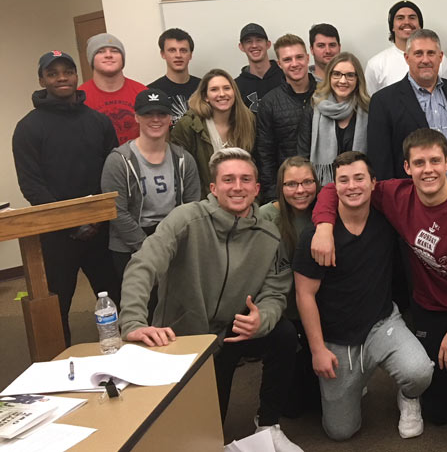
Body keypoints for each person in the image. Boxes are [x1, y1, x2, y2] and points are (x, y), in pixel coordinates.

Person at [310, 129, 447, 431]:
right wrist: (323, 227)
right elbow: (337, 187)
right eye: (419, 163)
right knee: (438, 411)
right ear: (407, 168)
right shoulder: (395, 195)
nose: (428, 170)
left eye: (435, 160)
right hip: (433, 306)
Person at [119, 148, 302, 452]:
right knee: (197, 435)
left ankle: (268, 424)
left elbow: (274, 291)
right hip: (181, 336)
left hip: (230, 333)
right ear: (213, 188)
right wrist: (134, 322)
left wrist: (262, 318)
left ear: (256, 189)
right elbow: (144, 264)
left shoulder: (269, 234)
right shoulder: (185, 219)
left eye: (245, 179)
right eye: (228, 179)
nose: (237, 186)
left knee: (282, 333)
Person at [294, 151, 434, 440]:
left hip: (381, 323)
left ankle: (407, 398)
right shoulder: (316, 237)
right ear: (333, 187)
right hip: (337, 337)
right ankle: (356, 380)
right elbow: (304, 295)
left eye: (359, 178)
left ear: (373, 183)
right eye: (343, 180)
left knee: (419, 372)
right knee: (340, 431)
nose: (352, 186)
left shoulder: (386, 220)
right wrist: (318, 350)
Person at [12, 50, 121, 345]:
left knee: (117, 300)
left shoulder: (99, 122)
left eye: (67, 71)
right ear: (42, 80)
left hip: (102, 232)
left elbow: (112, 172)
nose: (62, 77)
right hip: (57, 237)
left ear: (76, 76)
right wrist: (72, 223)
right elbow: (32, 185)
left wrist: (95, 219)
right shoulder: (28, 128)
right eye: (53, 73)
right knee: (56, 309)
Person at [367, 29, 447, 195]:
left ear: (440, 57)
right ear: (407, 58)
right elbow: (381, 162)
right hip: (412, 198)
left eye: (431, 53)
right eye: (418, 53)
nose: (425, 60)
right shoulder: (384, 101)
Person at [100, 89, 201, 288]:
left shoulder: (183, 159)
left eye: (162, 114)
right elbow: (116, 211)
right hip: (131, 244)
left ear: (170, 118)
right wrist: (148, 247)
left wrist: (172, 243)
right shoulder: (119, 161)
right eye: (148, 114)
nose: (155, 119)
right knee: (144, 308)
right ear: (136, 117)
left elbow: (192, 206)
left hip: (174, 238)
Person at [258, 156, 321, 417]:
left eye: (307, 182)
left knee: (319, 404)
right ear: (280, 187)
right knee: (292, 408)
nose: (300, 190)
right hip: (283, 310)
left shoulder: (324, 215)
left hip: (319, 310)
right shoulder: (265, 216)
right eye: (291, 184)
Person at [171, 69, 256, 196]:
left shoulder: (248, 120)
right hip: (204, 202)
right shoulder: (188, 125)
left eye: (227, 88)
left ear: (234, 92)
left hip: (241, 198)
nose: (222, 94)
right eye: (214, 89)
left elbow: (254, 164)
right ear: (205, 96)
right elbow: (179, 172)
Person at [256, 33, 316, 201]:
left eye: (299, 57)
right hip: (286, 190)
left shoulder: (325, 95)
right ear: (279, 64)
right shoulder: (269, 102)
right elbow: (265, 154)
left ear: (307, 58)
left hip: (322, 185)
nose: (295, 64)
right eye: (288, 59)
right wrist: (272, 196)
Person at [300, 52, 370, 184]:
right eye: (337, 74)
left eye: (350, 75)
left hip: (359, 186)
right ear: (329, 77)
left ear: (358, 78)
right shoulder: (314, 107)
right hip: (322, 187)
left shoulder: (369, 110)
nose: (342, 81)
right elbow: (303, 154)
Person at [365, 0, 447, 95]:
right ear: (392, 26)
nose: (407, 22)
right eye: (400, 18)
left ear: (420, 25)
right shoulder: (375, 64)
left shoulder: (440, 60)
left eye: (412, 18)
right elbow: (369, 103)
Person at [78, 33, 148, 144]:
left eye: (115, 51)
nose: (108, 55)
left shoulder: (142, 92)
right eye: (100, 51)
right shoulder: (79, 97)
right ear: (91, 59)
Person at [147, 28, 201, 123]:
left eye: (183, 50)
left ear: (191, 55)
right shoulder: (151, 92)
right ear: (163, 54)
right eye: (172, 50)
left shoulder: (204, 87)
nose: (178, 55)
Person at [235, 23, 285, 113]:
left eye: (259, 40)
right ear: (241, 47)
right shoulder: (236, 86)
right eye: (248, 41)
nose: (254, 45)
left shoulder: (285, 76)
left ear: (268, 44)